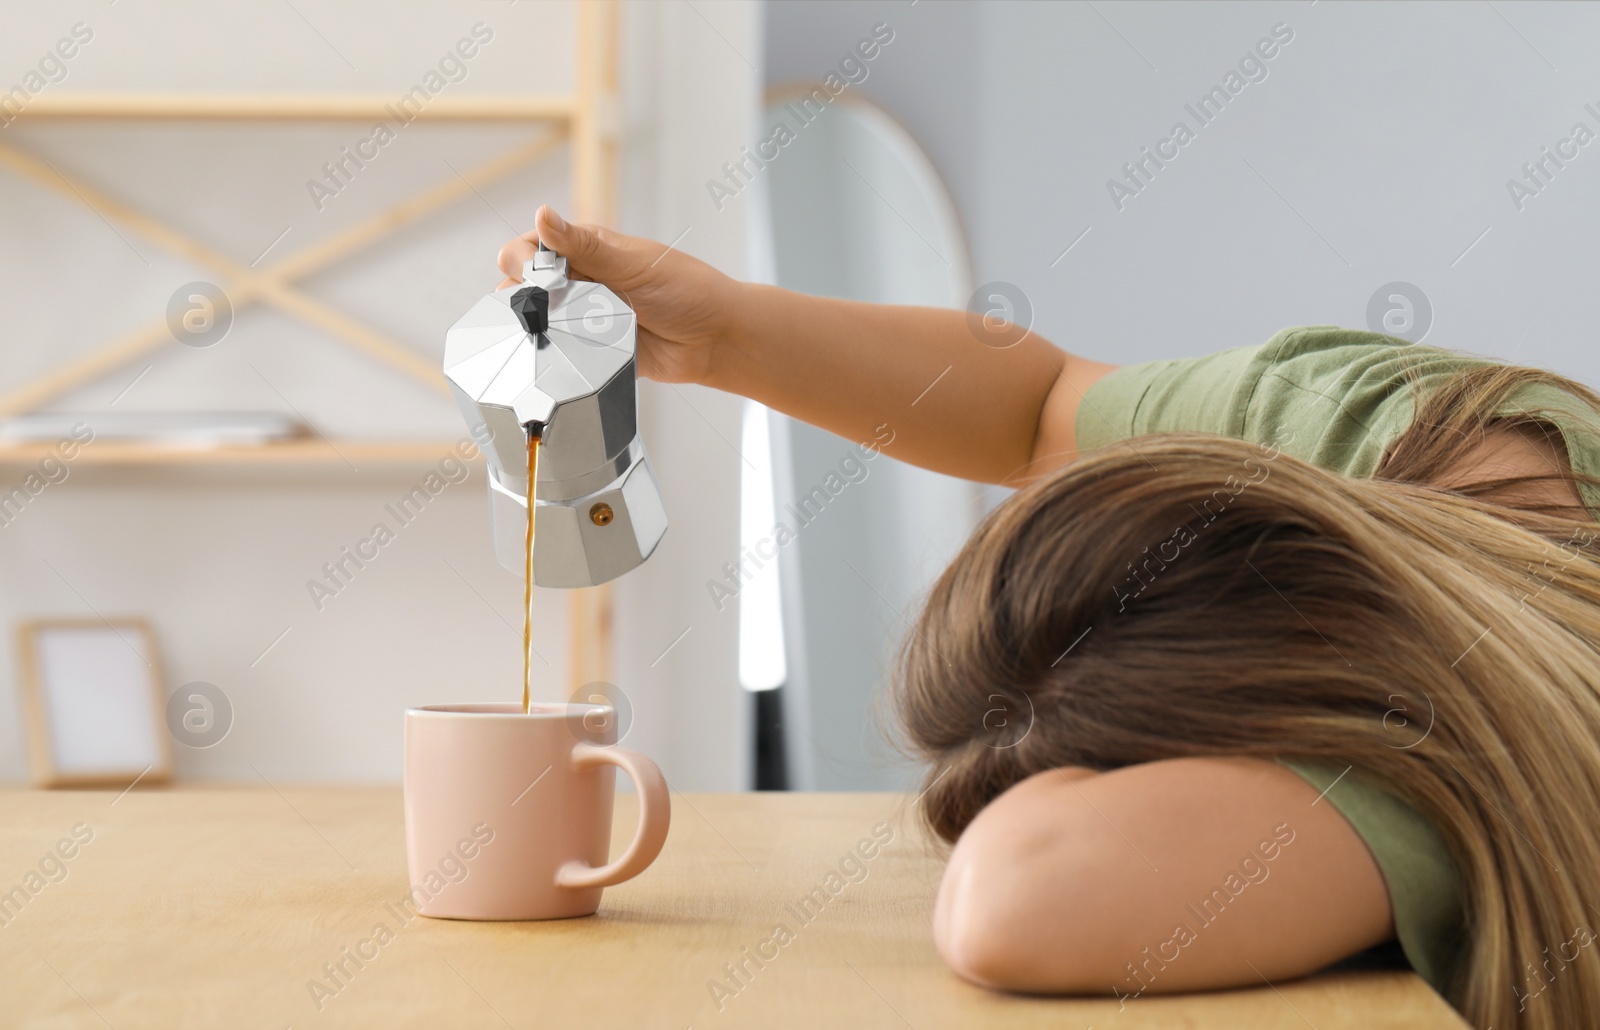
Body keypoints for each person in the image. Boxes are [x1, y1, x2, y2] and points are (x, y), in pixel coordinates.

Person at [498, 206, 1600, 1030]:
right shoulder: (1357, 435)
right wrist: (722, 331)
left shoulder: (1447, 764)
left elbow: (1017, 899)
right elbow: (1037, 416)